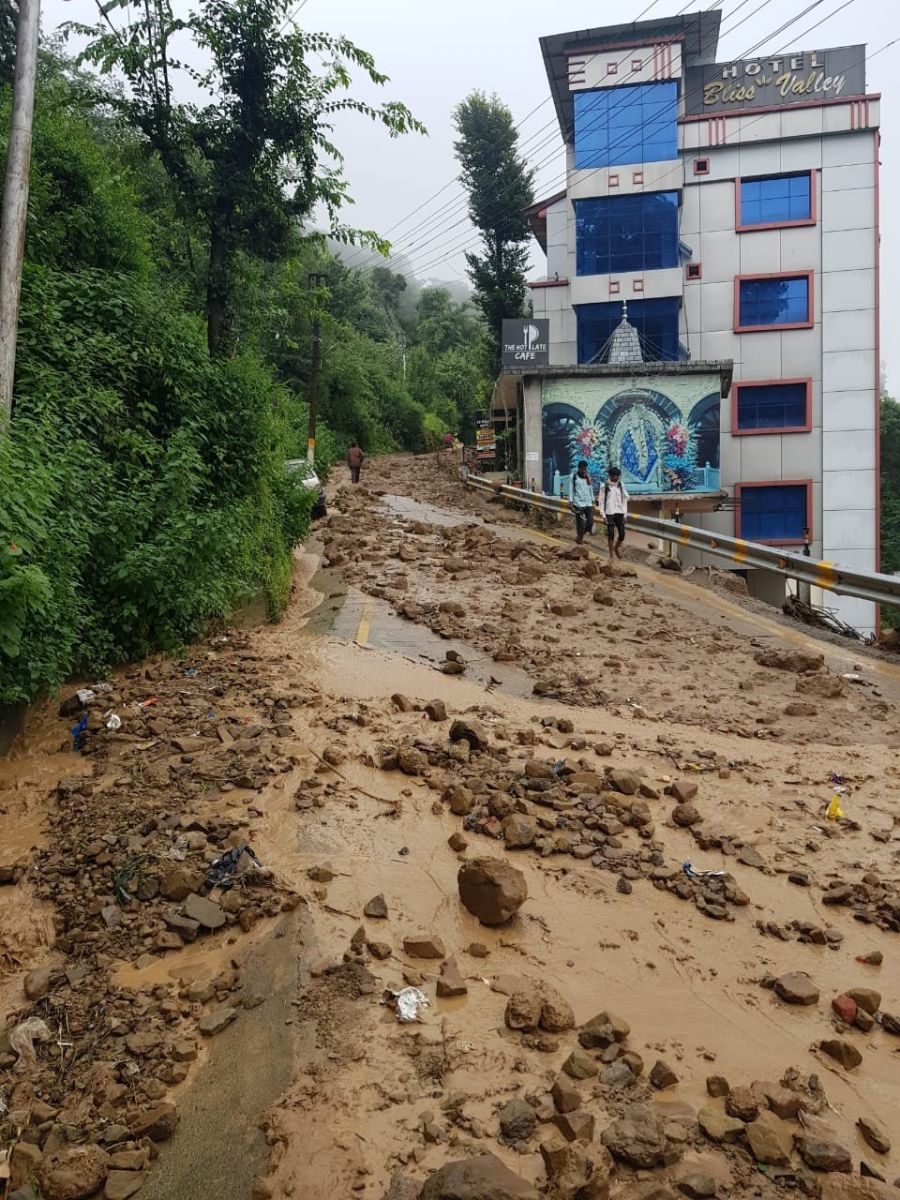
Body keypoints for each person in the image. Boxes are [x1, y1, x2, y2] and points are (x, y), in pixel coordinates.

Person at [602, 466, 629, 566]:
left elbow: (625, 500)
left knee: (622, 534)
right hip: (609, 512)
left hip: (619, 512)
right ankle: (611, 555)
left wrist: (625, 514)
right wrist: (603, 515)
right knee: (610, 533)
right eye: (613, 476)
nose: (615, 478)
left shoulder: (621, 485)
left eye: (617, 476)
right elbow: (601, 501)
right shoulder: (605, 486)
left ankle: (616, 547)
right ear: (610, 476)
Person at [570, 459, 595, 544]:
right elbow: (571, 490)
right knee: (580, 523)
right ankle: (579, 539)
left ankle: (581, 534)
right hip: (578, 503)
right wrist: (570, 503)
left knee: (590, 521)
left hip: (588, 503)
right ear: (579, 469)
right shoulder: (574, 477)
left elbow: (590, 489)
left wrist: (593, 500)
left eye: (585, 469)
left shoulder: (588, 477)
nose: (584, 471)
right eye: (582, 469)